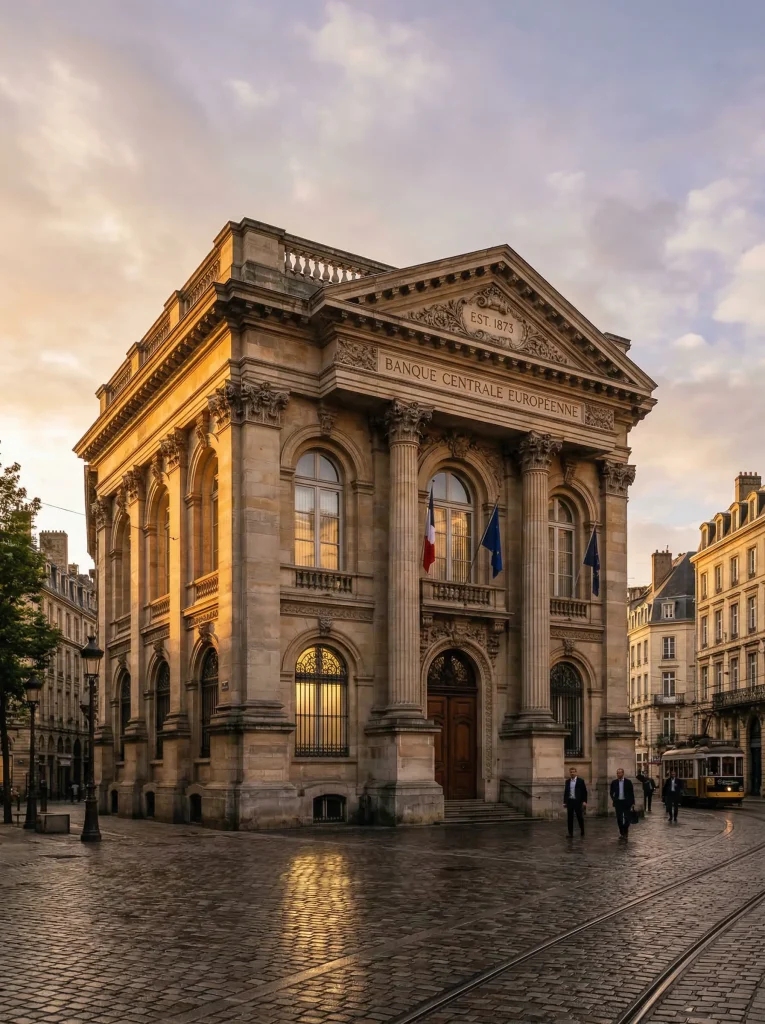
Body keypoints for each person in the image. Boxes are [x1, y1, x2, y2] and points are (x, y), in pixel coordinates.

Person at [609, 768, 635, 840]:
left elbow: (631, 793)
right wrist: (614, 798)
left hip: (626, 802)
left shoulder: (628, 782)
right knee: (619, 818)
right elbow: (611, 792)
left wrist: (633, 802)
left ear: (623, 773)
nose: (618, 774)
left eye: (619, 773)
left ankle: (625, 831)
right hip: (618, 803)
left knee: (627, 818)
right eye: (617, 773)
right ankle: (621, 833)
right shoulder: (614, 782)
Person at [563, 766, 587, 838]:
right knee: (569, 818)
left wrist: (584, 801)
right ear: (569, 773)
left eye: (573, 772)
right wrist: (565, 802)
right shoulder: (567, 781)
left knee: (579, 817)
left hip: (578, 801)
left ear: (576, 773)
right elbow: (566, 792)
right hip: (570, 801)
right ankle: (570, 833)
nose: (572, 773)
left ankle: (582, 830)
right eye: (571, 772)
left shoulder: (580, 781)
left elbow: (584, 792)